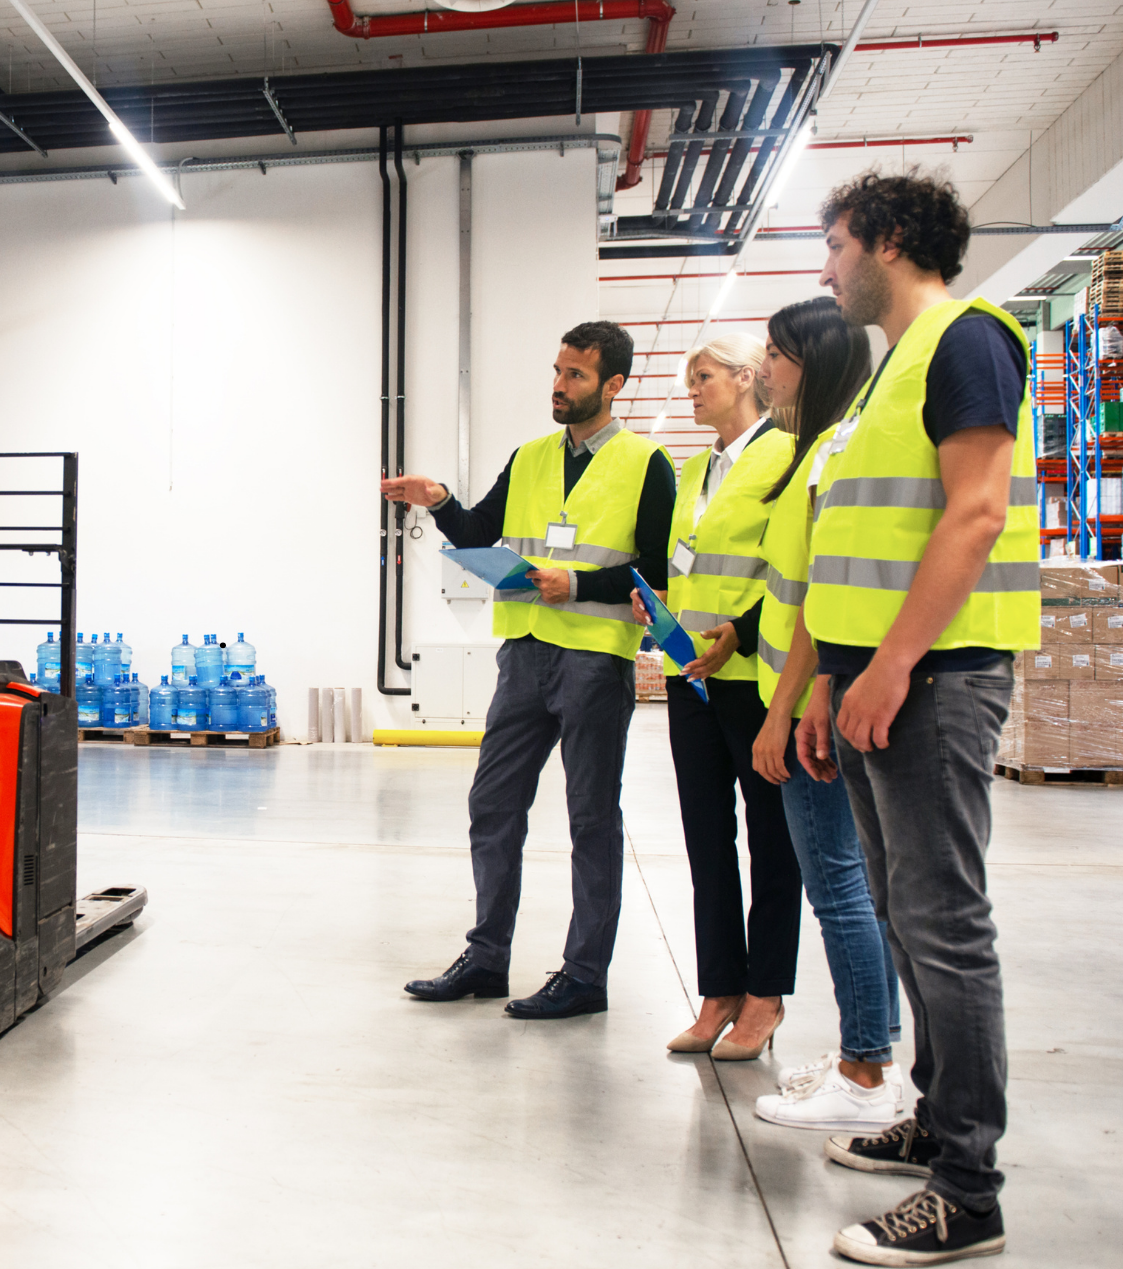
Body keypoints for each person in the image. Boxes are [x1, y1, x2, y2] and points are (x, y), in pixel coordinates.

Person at [798, 170, 1036, 1267]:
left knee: (945, 926)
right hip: (880, 684)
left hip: (933, 680)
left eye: (836, 242)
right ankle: (938, 1120)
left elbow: (978, 511)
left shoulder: (967, 341)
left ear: (889, 240)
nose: (827, 264)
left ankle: (968, 1193)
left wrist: (891, 665)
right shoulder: (889, 372)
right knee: (905, 913)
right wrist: (831, 678)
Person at [383, 322, 676, 1019]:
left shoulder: (648, 463)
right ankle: (487, 957)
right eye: (556, 371)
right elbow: (482, 532)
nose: (558, 385)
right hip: (523, 656)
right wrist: (439, 501)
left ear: (612, 385)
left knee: (590, 818)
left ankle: (584, 975)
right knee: (493, 803)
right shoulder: (532, 456)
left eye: (575, 376)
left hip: (596, 663)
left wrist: (576, 587)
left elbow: (659, 576)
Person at [734, 298, 909, 1132]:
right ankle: (870, 1055)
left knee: (838, 885)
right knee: (857, 886)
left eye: (775, 354)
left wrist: (787, 709)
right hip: (806, 698)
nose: (762, 369)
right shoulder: (813, 455)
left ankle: (866, 1071)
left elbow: (812, 602)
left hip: (809, 709)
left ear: (815, 363)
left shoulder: (826, 459)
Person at [633, 334, 802, 1062]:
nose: (692, 389)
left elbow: (792, 570)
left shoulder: (786, 454)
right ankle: (719, 991)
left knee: (771, 842)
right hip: (690, 676)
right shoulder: (694, 468)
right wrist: (660, 606)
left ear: (745, 377)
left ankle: (766, 995)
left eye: (702, 377)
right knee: (706, 840)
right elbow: (686, 564)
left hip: (755, 677)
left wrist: (740, 630)